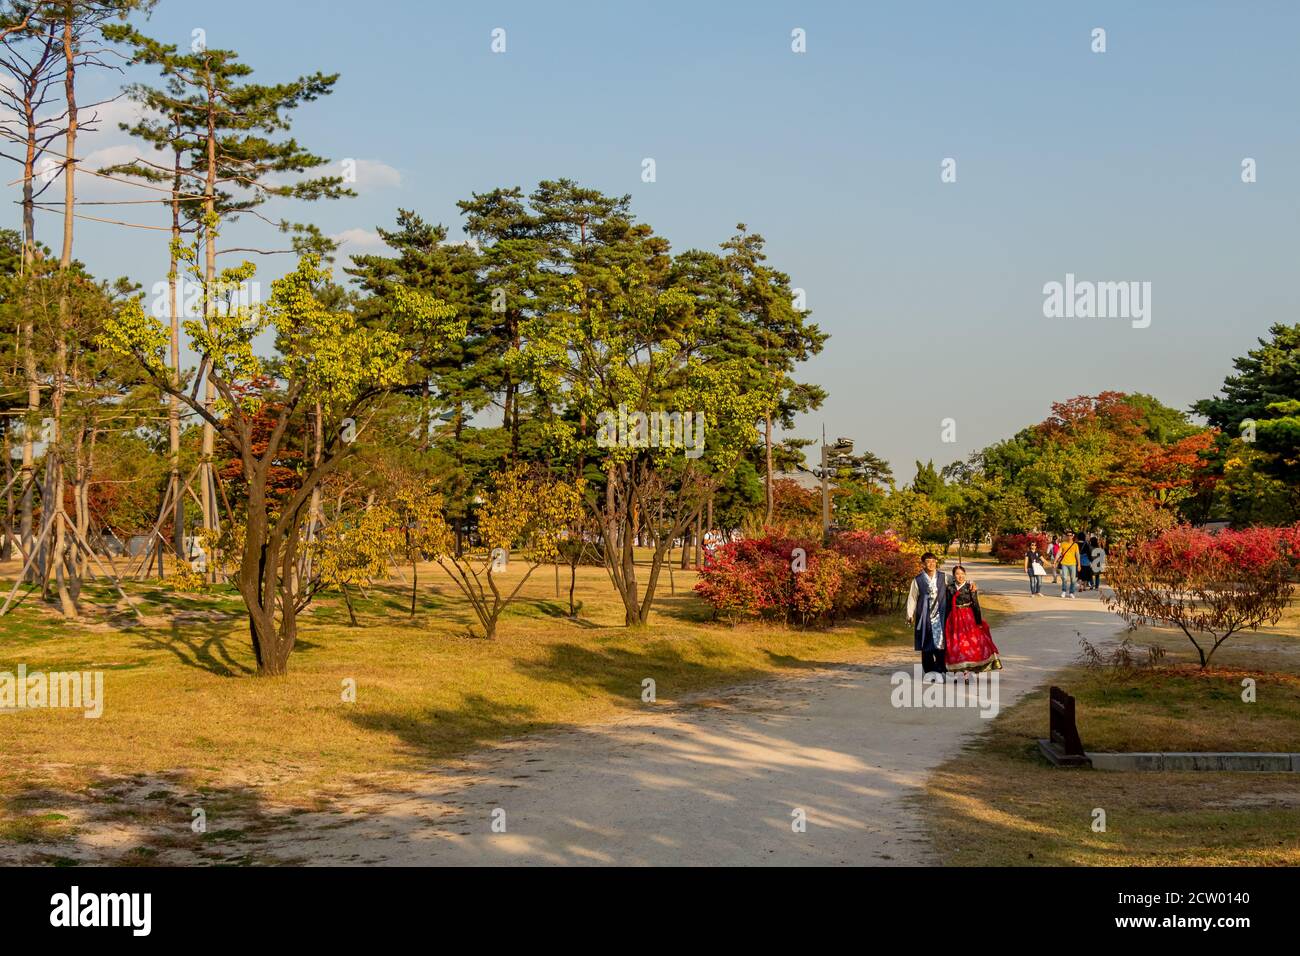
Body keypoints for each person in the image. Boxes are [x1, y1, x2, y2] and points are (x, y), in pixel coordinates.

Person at [944, 565, 1002, 674]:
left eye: (962, 574)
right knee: (958, 643)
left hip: (968, 617)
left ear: (965, 575)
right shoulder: (950, 588)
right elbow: (947, 605)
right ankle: (961, 668)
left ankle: (973, 667)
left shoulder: (970, 587)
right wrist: (946, 621)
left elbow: (975, 604)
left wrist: (978, 621)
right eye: (957, 574)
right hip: (955, 618)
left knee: (972, 642)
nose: (960, 576)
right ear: (953, 576)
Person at [905, 552, 948, 680]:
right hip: (924, 617)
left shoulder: (944, 577)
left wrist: (970, 585)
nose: (931, 564)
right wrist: (909, 614)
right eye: (928, 561)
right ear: (923, 563)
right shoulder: (917, 580)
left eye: (933, 561)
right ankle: (930, 672)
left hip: (941, 615)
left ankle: (941, 669)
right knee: (926, 644)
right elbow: (912, 598)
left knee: (941, 644)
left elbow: (958, 582)